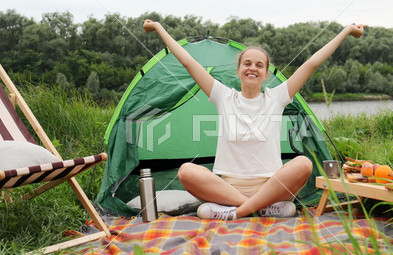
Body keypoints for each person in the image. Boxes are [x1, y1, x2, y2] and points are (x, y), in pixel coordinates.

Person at [143, 20, 364, 220]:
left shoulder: (276, 97)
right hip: (228, 189)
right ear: (238, 70)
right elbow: (188, 62)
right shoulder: (223, 96)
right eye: (247, 63)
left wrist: (345, 31)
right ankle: (262, 209)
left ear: (267, 73)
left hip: (271, 187)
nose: (252, 68)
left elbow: (311, 64)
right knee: (185, 172)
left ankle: (236, 212)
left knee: (304, 164)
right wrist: (159, 28)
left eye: (259, 65)